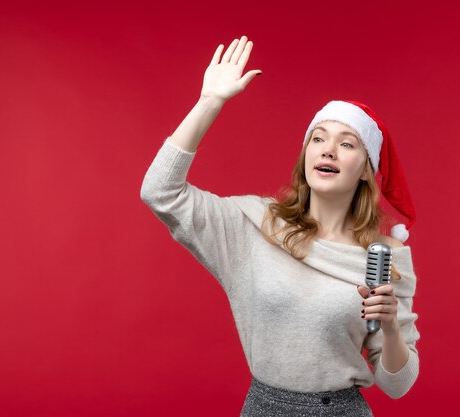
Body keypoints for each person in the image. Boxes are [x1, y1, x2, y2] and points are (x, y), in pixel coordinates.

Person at [140, 36, 421, 417]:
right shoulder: (255, 226)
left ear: (366, 170)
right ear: (306, 155)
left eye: (347, 143)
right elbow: (160, 192)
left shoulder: (383, 257)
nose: (327, 150)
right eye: (317, 139)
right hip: (264, 407)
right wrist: (209, 103)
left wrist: (389, 328)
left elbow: (396, 385)